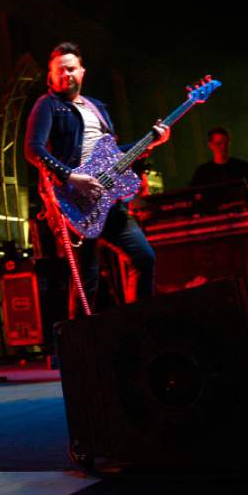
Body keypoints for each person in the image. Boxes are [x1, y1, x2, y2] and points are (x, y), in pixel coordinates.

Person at [24, 42, 170, 309]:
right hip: (74, 201)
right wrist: (70, 177)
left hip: (109, 200)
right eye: (60, 71)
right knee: (86, 282)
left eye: (71, 69)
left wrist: (150, 142)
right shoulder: (48, 105)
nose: (66, 75)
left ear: (82, 72)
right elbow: (33, 150)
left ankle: (137, 325)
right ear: (51, 76)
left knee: (144, 258)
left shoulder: (97, 108)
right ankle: (81, 346)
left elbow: (114, 153)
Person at [190, 126, 248, 204]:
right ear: (211, 145)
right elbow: (195, 197)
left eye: (226, 143)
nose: (223, 147)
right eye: (218, 144)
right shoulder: (202, 172)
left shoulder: (241, 166)